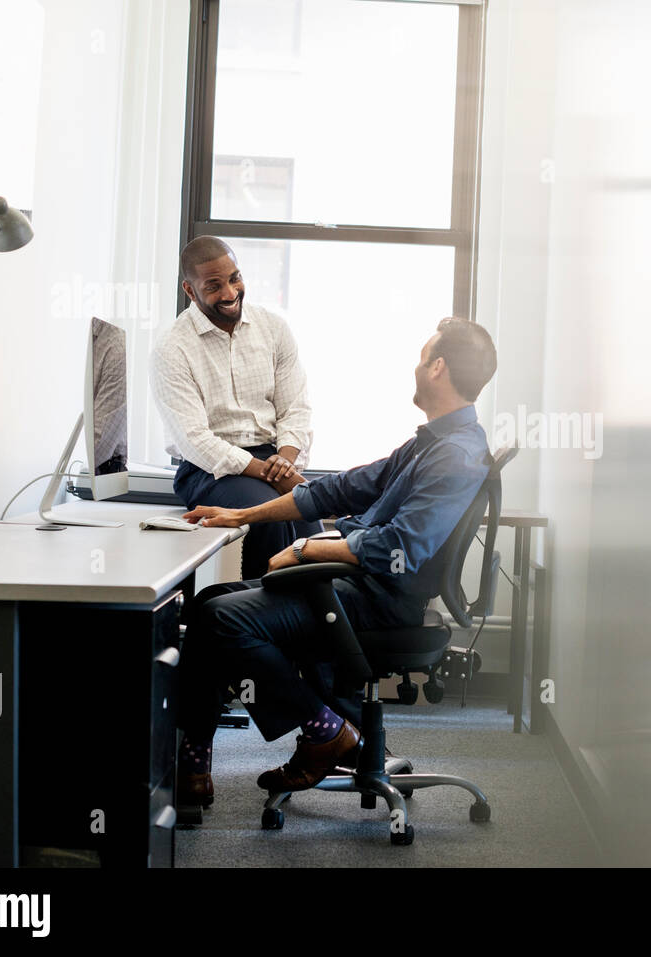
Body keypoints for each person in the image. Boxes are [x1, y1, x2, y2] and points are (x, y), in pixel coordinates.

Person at [174, 317, 498, 807]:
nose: (414, 366)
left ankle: (324, 730)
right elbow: (338, 489)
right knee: (209, 602)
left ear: (437, 368)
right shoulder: (430, 442)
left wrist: (306, 548)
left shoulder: (455, 455)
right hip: (358, 586)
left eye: (421, 356)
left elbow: (400, 549)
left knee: (222, 619)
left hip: (379, 601)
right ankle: (194, 763)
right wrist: (242, 513)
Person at [151, 236, 322, 580]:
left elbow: (296, 408)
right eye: (214, 286)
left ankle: (311, 623)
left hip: (274, 458)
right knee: (268, 517)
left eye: (234, 278)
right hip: (208, 469)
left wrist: (284, 462)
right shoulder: (171, 348)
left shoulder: (273, 328)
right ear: (190, 289)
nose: (230, 293)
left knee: (312, 522)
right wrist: (275, 475)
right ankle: (260, 621)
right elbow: (194, 440)